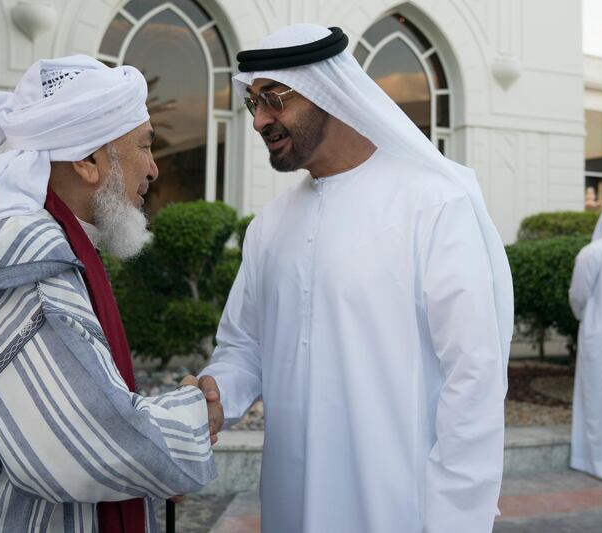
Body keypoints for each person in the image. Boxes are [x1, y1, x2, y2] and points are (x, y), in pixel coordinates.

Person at [197, 24, 513, 533]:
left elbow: (473, 376)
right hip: (289, 502)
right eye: (253, 102)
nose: (259, 120)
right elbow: (244, 347)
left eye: (273, 99)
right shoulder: (270, 225)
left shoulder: (432, 205)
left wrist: (458, 516)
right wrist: (215, 395)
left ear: (328, 92)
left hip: (397, 504)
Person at [0, 55, 215, 533]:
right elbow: (75, 443)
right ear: (85, 160)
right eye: (144, 146)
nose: (154, 169)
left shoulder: (28, 238)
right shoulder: (20, 254)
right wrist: (191, 420)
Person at [569, 199, 602, 481]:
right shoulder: (594, 252)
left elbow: (577, 297)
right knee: (598, 398)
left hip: (598, 336)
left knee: (597, 398)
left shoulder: (592, 253)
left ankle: (596, 461)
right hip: (599, 338)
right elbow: (579, 294)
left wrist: (586, 319)